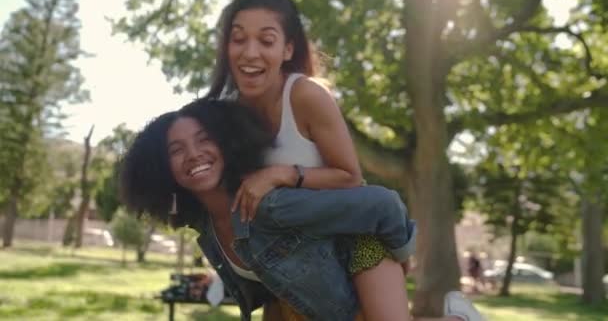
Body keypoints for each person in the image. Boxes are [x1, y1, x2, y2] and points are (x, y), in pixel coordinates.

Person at [205, 0, 483, 321]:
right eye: (238, 39)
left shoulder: (305, 95)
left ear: (287, 49)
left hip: (357, 242)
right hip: (292, 261)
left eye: (266, 41)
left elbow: (351, 177)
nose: (250, 52)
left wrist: (281, 174)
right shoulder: (226, 116)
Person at [120, 99, 483, 321]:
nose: (194, 154)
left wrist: (403, 257)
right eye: (176, 150)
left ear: (225, 145)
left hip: (363, 253)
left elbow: (382, 204)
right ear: (161, 168)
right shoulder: (205, 228)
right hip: (317, 300)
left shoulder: (267, 203)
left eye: (203, 140)